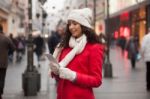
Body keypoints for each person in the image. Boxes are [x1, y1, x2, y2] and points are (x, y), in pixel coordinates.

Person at [49, 8, 104, 99]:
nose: (71, 27)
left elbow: (97, 80)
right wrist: (56, 71)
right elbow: (61, 76)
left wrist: (73, 76)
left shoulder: (94, 48)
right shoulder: (65, 46)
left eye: (75, 23)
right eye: (69, 24)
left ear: (83, 25)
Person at [0, 25, 15, 99]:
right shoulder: (6, 38)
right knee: (2, 78)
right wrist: (7, 53)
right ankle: (0, 93)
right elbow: (13, 48)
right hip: (3, 62)